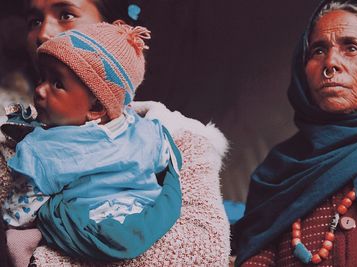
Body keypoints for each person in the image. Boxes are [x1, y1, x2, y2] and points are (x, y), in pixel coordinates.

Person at [0, 0, 231, 266]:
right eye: (34, 21)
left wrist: (45, 259)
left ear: (112, 27)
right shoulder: (14, 137)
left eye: (66, 14)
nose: (42, 33)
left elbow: (202, 253)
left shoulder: (177, 135)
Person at [234, 0, 357, 266]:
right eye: (318, 50)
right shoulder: (277, 171)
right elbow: (256, 254)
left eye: (351, 48)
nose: (331, 62)